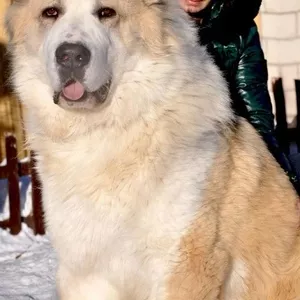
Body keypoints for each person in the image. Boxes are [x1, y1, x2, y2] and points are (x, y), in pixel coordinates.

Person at [179, 0, 300, 195]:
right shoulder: (147, 28)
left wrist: (285, 183)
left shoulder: (239, 31)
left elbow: (257, 117)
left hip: (220, 156)